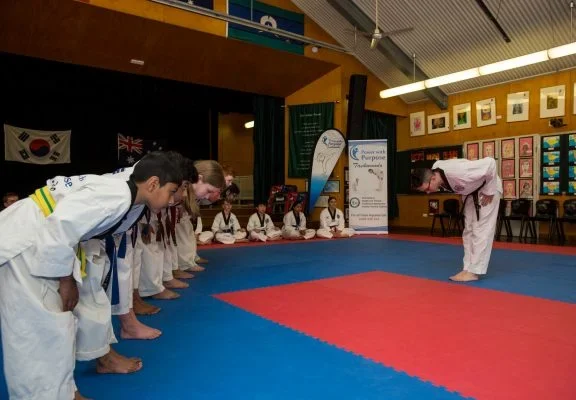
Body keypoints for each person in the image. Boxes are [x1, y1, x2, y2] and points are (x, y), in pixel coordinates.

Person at [0, 151, 182, 400]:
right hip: (30, 242)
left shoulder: (125, 194)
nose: (173, 199)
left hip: (43, 239)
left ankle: (62, 393)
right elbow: (60, 227)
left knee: (55, 328)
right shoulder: (116, 196)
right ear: (152, 184)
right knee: (40, 332)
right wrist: (66, 280)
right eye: (172, 191)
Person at [411, 157, 502, 282]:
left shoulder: (459, 171)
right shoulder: (435, 172)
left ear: (433, 178)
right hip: (471, 192)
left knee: (481, 229)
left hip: (488, 188)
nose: (428, 193)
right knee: (468, 230)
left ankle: (474, 271)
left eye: (427, 189)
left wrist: (490, 191)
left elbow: (491, 163)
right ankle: (467, 268)